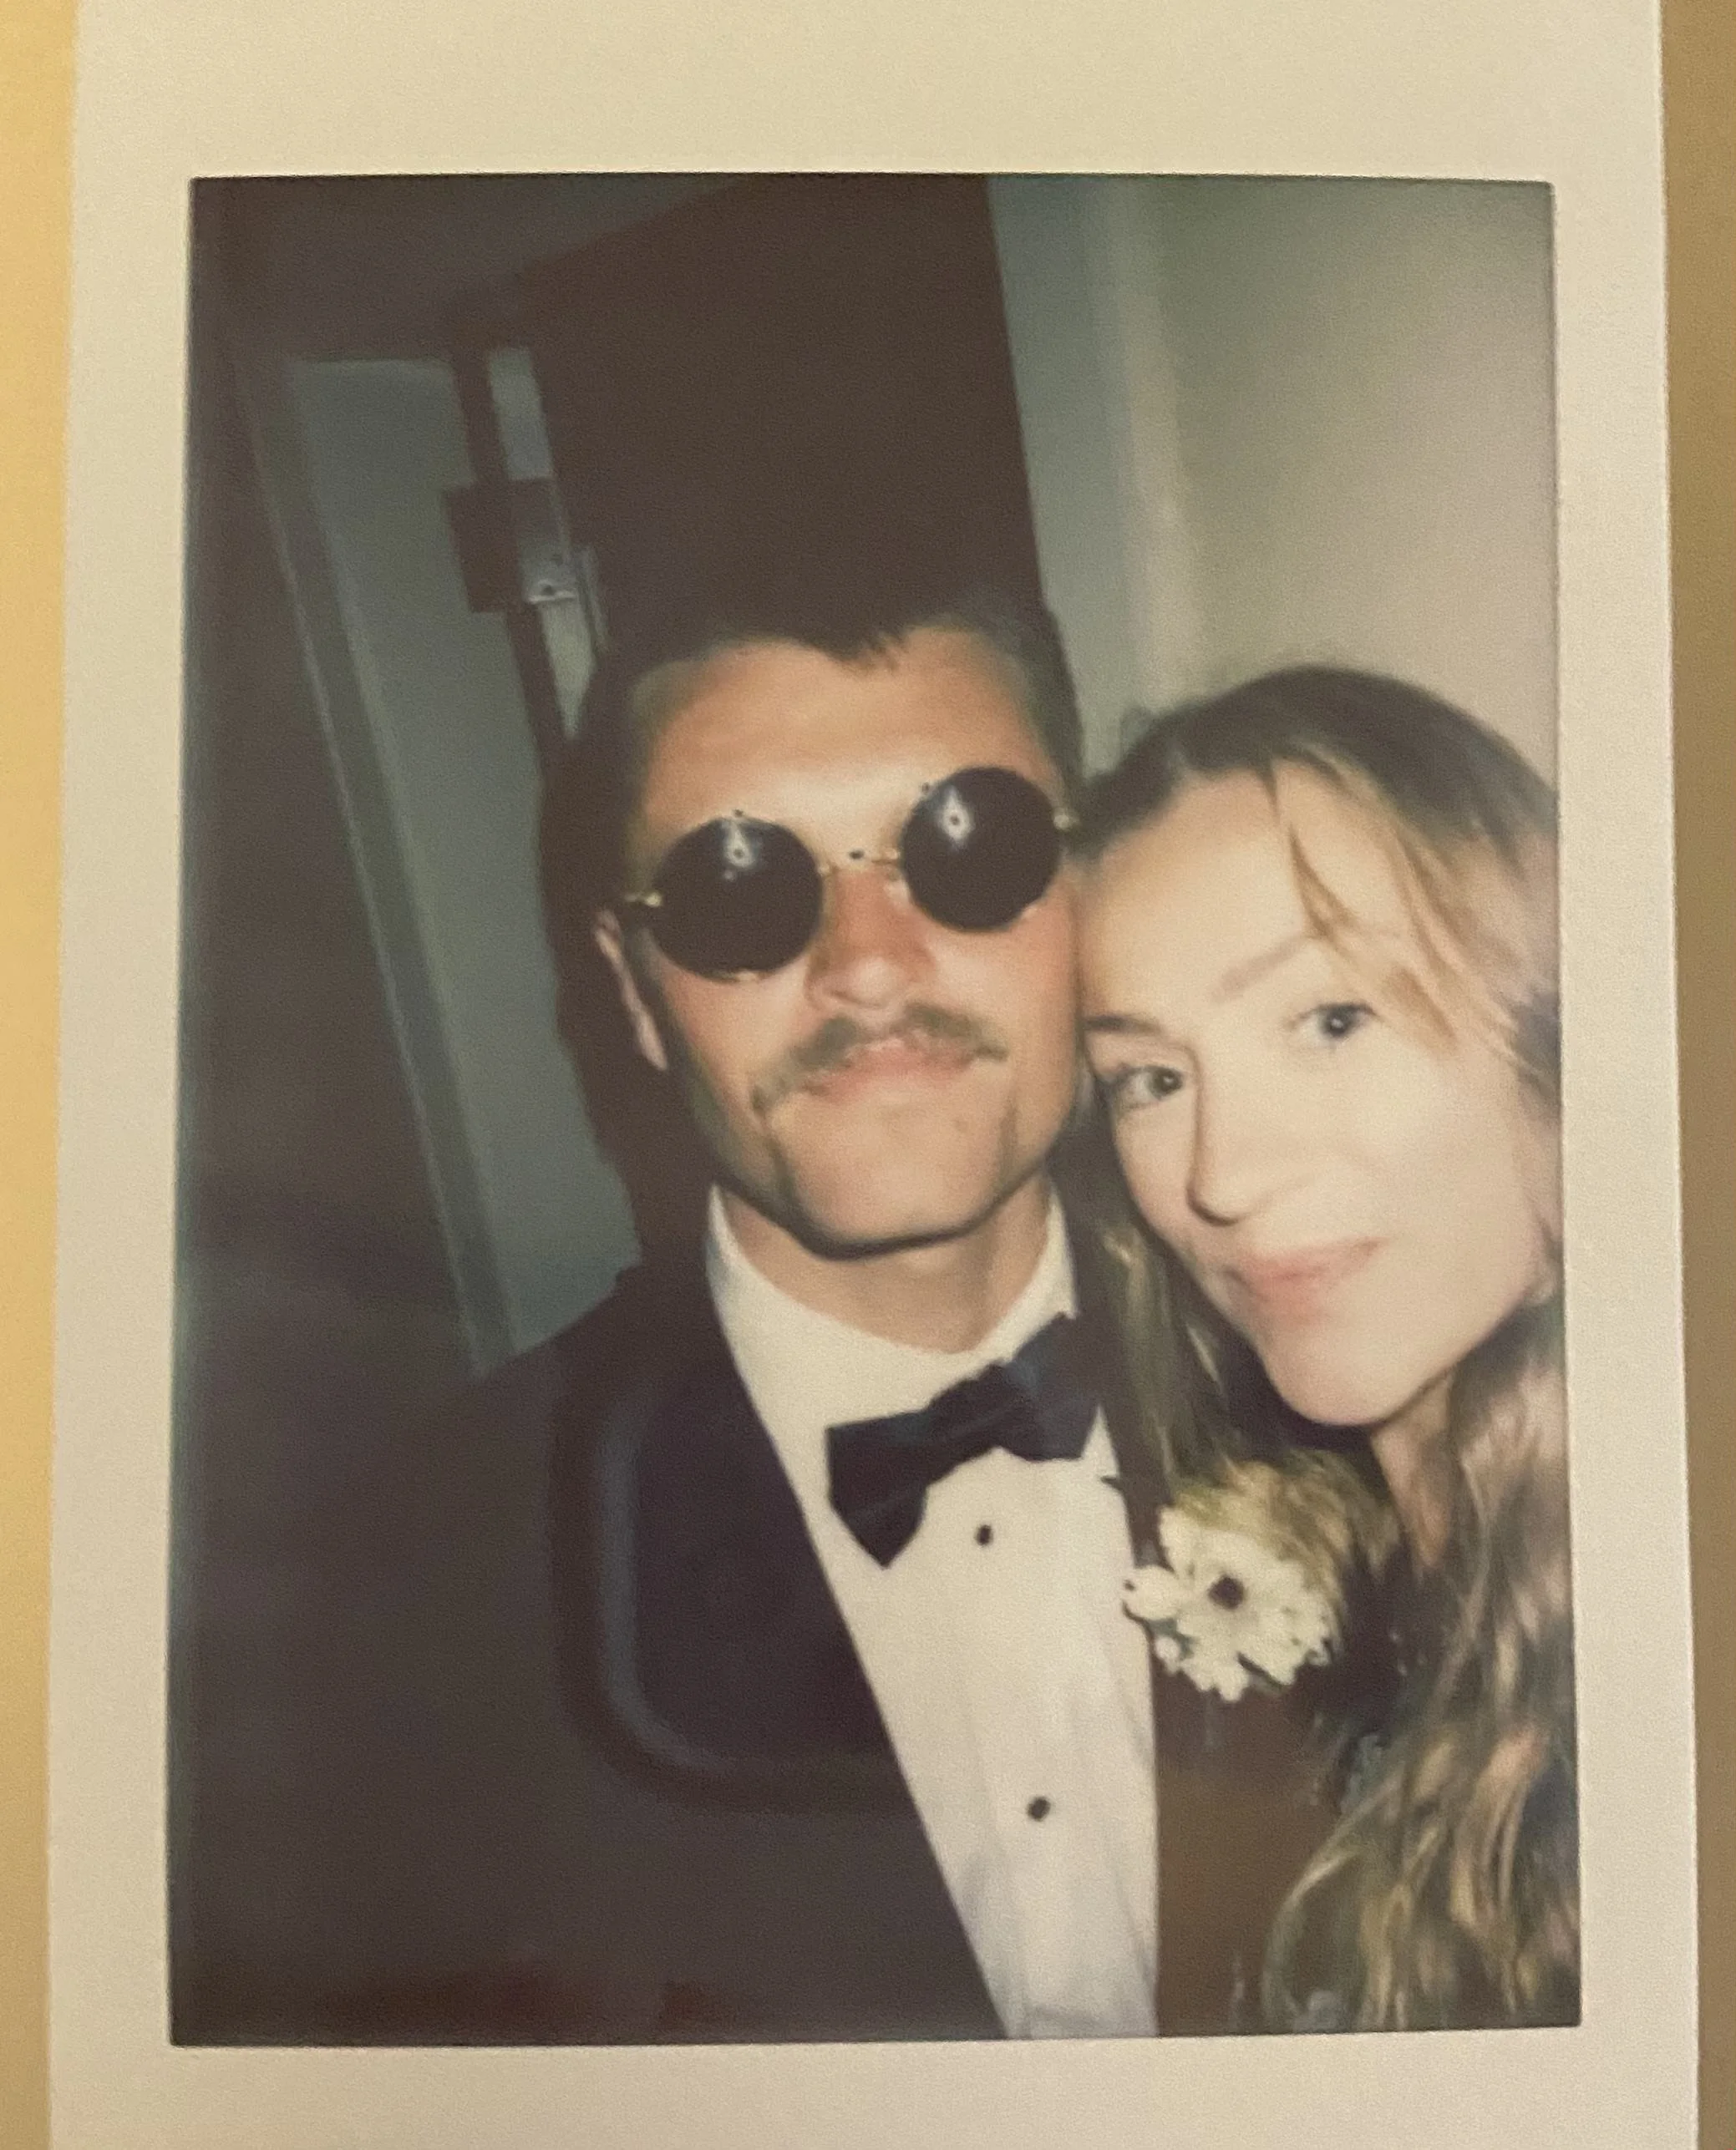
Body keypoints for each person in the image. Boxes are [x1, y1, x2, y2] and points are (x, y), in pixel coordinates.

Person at [485, 571, 1158, 2044]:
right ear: (637, 990)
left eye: (966, 848)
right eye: (739, 883)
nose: (866, 962)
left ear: (1086, 901)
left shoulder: (1358, 1407)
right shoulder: (416, 1572)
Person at [1073, 665, 1578, 2033]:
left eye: (1332, 1018)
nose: (1222, 1175)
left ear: (1549, 1020)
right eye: (1150, 1078)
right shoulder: (1317, 1549)